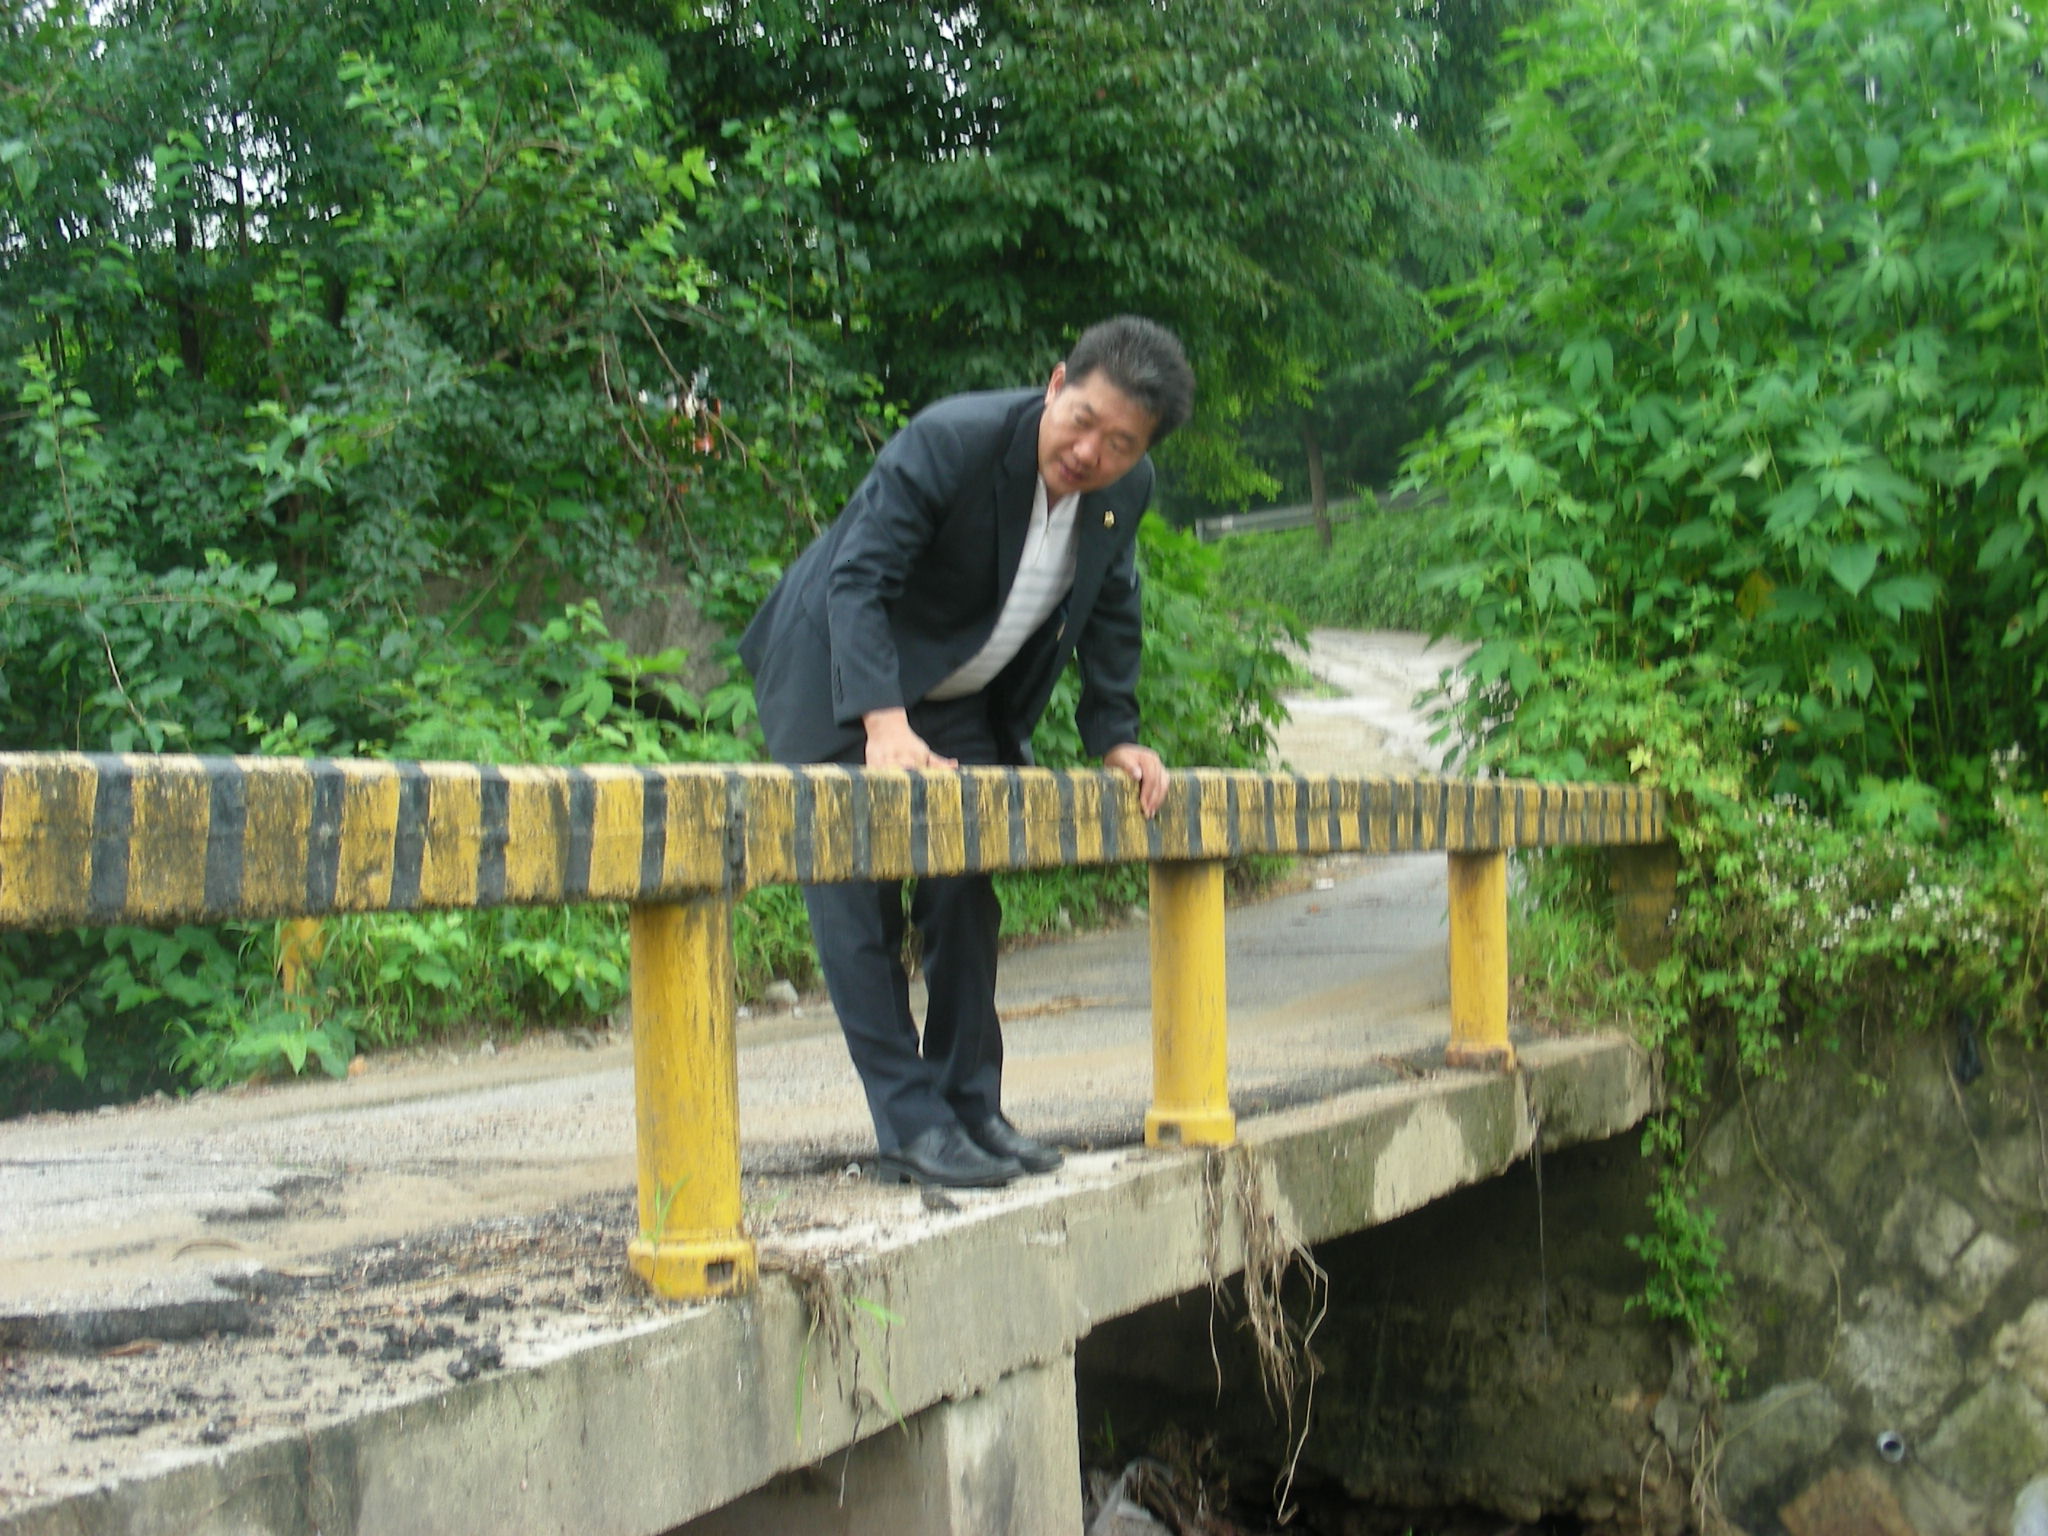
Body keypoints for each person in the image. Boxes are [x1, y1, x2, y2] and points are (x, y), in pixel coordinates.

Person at [738, 315, 1195, 1189]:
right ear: (1056, 384)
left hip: (951, 694)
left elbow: (1112, 604)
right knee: (857, 893)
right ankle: (910, 1124)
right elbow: (857, 579)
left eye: (1120, 443)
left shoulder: (1121, 494)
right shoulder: (953, 439)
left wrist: (1117, 735)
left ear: (1143, 453)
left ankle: (969, 1104)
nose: (1090, 452)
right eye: (1083, 420)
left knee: (964, 883)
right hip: (833, 669)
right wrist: (882, 725)